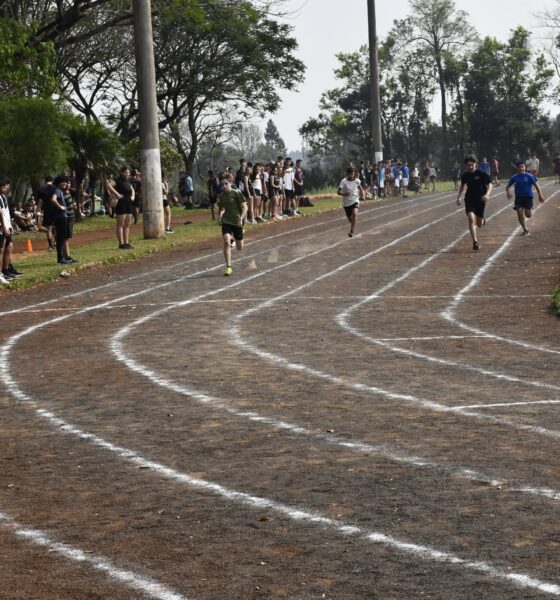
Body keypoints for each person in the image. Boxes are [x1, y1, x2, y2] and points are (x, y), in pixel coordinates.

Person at [456, 156, 492, 251]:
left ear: (475, 164)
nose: (470, 167)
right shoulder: (465, 176)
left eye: (472, 165)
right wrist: (459, 197)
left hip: (480, 201)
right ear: (466, 166)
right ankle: (475, 242)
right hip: (469, 200)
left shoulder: (481, 174)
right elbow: (462, 186)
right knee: (471, 219)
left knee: (479, 224)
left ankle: (483, 220)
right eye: (468, 165)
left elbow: (490, 184)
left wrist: (487, 194)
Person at [218, 177, 247, 276]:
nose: (224, 186)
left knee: (240, 247)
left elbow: (245, 207)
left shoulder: (237, 193)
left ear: (230, 183)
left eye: (226, 184)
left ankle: (235, 238)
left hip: (237, 221)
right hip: (227, 221)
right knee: (226, 241)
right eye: (222, 185)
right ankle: (228, 267)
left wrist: (241, 218)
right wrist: (220, 215)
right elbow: (221, 208)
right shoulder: (222, 196)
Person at [506, 160, 544, 236]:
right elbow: (508, 186)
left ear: (525, 167)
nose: (521, 168)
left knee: (528, 215)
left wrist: (540, 195)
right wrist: (508, 193)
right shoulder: (514, 177)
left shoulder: (529, 176)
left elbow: (536, 186)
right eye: (519, 167)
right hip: (519, 198)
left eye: (522, 166)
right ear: (517, 168)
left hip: (528, 197)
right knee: (519, 212)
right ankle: (525, 229)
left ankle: (530, 209)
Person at [51, 174, 78, 264]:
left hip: (63, 217)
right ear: (58, 182)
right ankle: (61, 258)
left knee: (62, 238)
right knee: (61, 238)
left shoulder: (60, 190)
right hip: (61, 217)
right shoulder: (58, 190)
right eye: (63, 182)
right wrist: (61, 207)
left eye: (66, 182)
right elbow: (53, 200)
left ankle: (64, 257)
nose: (65, 183)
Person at [0, 177, 22, 283]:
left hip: (6, 225)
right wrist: (4, 226)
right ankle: (2, 271)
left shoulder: (3, 197)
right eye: (4, 185)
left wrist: (9, 224)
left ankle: (6, 269)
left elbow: (5, 212)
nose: (5, 187)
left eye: (6, 185)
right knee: (3, 248)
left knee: (9, 246)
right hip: (2, 226)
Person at [106, 166, 135, 249]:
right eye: (125, 172)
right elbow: (108, 185)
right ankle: (121, 244)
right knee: (120, 224)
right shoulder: (117, 180)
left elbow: (132, 189)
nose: (127, 174)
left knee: (127, 224)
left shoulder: (128, 181)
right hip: (121, 204)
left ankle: (126, 242)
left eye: (128, 172)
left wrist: (133, 196)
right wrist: (117, 194)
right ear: (122, 172)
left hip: (129, 203)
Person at [337, 167, 365, 238]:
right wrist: (344, 194)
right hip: (346, 203)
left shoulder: (357, 181)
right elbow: (338, 192)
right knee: (351, 220)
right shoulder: (343, 181)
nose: (351, 176)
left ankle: (351, 231)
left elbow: (361, 189)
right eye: (350, 174)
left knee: (355, 213)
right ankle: (353, 224)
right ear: (347, 174)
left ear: (354, 174)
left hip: (355, 200)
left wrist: (363, 196)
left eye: (352, 174)